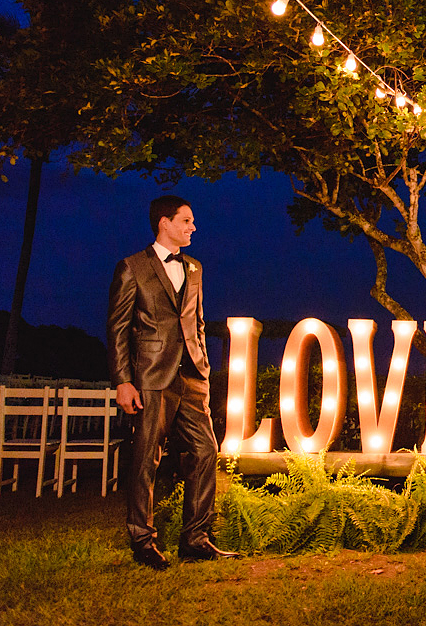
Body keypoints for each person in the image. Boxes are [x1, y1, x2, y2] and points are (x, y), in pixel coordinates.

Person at [107, 195, 239, 569]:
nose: (192, 227)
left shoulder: (195, 268)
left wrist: (204, 367)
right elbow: (117, 329)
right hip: (151, 376)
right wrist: (123, 381)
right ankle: (142, 539)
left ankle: (195, 539)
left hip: (193, 376)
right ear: (165, 223)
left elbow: (195, 320)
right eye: (186, 221)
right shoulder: (132, 267)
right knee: (146, 458)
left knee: (205, 451)